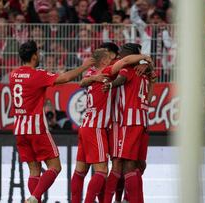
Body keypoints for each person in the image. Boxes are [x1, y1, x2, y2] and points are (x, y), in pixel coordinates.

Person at [9, 40, 94, 203]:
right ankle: (34, 197)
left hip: (20, 129)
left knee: (34, 171)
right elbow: (65, 77)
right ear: (34, 56)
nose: (39, 55)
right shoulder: (37, 75)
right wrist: (84, 66)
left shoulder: (13, 74)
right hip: (36, 128)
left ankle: (34, 199)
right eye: (38, 53)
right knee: (55, 167)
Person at [71, 47, 151, 203]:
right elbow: (127, 61)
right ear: (104, 61)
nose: (114, 59)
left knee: (80, 171)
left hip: (86, 126)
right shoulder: (108, 71)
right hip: (97, 127)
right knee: (102, 171)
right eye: (110, 57)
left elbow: (82, 82)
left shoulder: (90, 74)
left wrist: (145, 64)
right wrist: (146, 58)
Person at [102, 43, 156, 203]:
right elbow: (149, 99)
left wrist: (110, 85)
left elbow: (121, 79)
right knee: (139, 165)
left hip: (126, 121)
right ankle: (128, 199)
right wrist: (148, 66)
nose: (120, 57)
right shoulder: (145, 74)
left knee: (121, 165)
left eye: (123, 54)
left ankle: (112, 200)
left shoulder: (126, 69)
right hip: (142, 121)